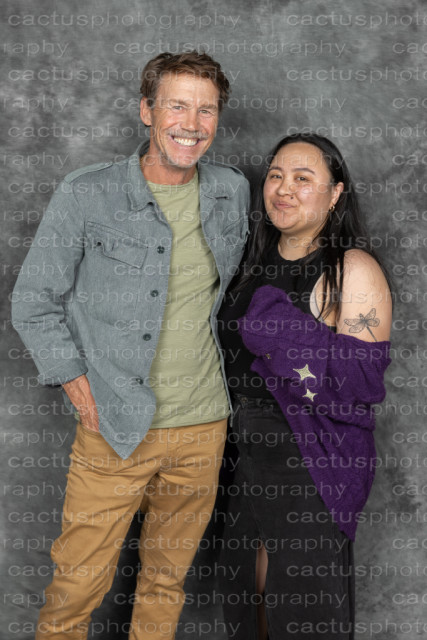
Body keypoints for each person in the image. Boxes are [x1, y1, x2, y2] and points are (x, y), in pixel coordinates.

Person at [11, 50, 250, 639]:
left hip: (203, 429)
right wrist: (80, 389)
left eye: (206, 109)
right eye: (176, 105)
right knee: (76, 587)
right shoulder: (87, 193)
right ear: (146, 110)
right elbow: (33, 300)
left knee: (166, 584)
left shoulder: (232, 191)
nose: (191, 124)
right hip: (113, 425)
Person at [216, 132, 392, 640]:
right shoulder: (249, 262)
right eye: (275, 176)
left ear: (335, 194)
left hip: (311, 455)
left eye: (302, 178)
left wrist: (277, 328)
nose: (284, 188)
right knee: (246, 595)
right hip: (242, 453)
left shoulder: (351, 268)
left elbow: (360, 383)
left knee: (301, 603)